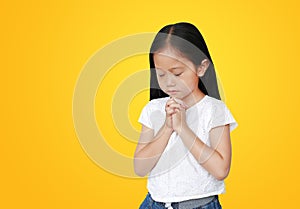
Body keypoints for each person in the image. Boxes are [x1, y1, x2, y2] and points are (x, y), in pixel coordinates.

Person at [134, 22, 238, 209]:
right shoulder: (153, 109)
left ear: (201, 67)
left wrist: (182, 128)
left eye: (177, 73)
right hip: (155, 203)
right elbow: (140, 168)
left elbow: (221, 170)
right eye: (161, 75)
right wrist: (167, 128)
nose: (169, 83)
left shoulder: (215, 110)